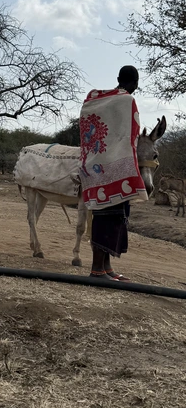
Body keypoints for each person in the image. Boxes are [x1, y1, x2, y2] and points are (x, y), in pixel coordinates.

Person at [79, 65, 146, 283]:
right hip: (118, 171)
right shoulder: (127, 101)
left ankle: (107, 268)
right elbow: (131, 135)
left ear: (118, 78)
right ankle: (97, 269)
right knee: (109, 218)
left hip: (96, 168)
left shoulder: (95, 100)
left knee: (110, 217)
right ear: (135, 83)